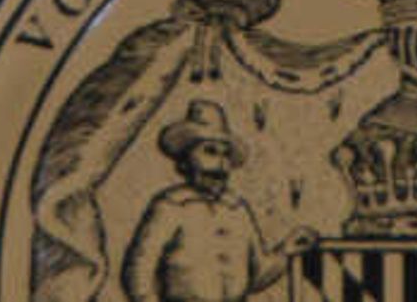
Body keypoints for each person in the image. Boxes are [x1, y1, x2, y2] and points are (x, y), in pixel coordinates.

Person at [119, 102, 294, 302]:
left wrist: (286, 250)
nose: (220, 163)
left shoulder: (237, 208)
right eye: (210, 152)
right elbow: (138, 274)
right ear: (185, 160)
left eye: (225, 154)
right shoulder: (170, 206)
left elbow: (255, 275)